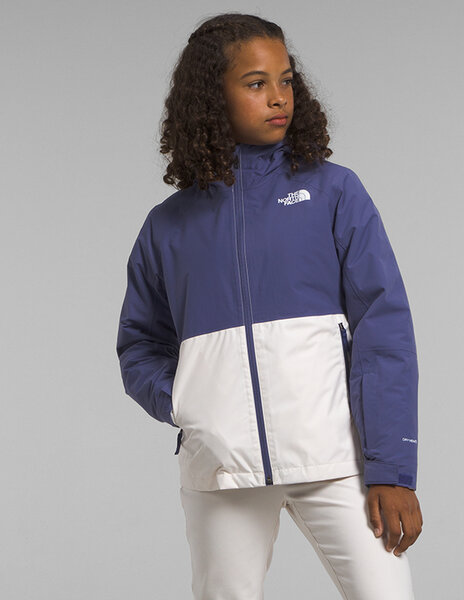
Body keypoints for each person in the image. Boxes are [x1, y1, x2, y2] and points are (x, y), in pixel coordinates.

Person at [116, 12, 423, 600]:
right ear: (212, 97)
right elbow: (139, 343)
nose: (279, 97)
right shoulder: (168, 226)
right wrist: (188, 404)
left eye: (286, 80)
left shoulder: (335, 192)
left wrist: (392, 470)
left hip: (334, 458)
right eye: (256, 83)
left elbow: (384, 331)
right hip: (222, 469)